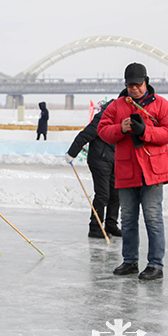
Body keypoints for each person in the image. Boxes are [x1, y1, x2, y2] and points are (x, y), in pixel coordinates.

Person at [97, 62, 168, 281]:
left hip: (153, 170)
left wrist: (146, 132)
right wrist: (120, 129)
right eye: (130, 85)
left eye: (137, 84)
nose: (134, 88)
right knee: (128, 218)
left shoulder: (161, 104)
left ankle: (155, 264)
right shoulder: (116, 106)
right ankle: (130, 261)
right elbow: (102, 130)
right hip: (126, 169)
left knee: (153, 217)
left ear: (146, 82)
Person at [65, 99, 121, 239]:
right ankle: (95, 227)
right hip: (99, 160)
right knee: (103, 194)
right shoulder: (102, 118)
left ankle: (111, 225)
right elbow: (85, 135)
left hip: (114, 160)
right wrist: (72, 153)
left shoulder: (122, 120)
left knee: (116, 194)